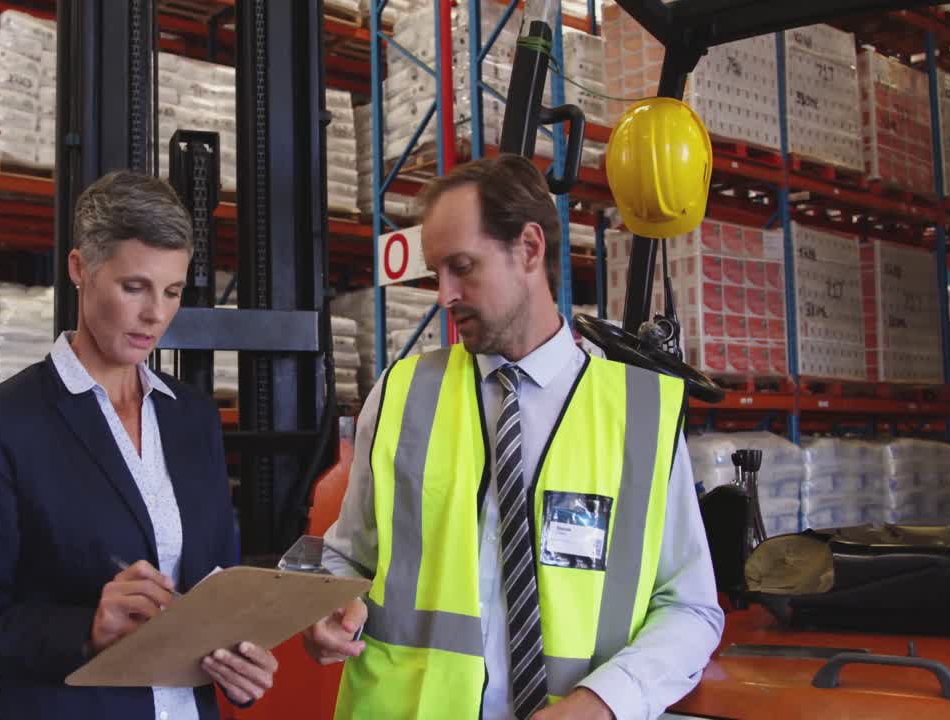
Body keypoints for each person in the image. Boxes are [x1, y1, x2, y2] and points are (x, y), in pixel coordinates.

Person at [304, 154, 724, 720]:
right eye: (436, 273)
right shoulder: (401, 394)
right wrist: (322, 609)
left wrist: (605, 702)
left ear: (528, 248)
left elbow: (691, 608)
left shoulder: (641, 415)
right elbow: (345, 558)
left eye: (462, 267)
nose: (444, 295)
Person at [0, 170, 278, 719]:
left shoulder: (193, 418)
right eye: (134, 287)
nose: (155, 314)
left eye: (172, 292)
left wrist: (241, 663)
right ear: (79, 269)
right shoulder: (6, 420)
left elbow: (215, 590)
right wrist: (86, 630)